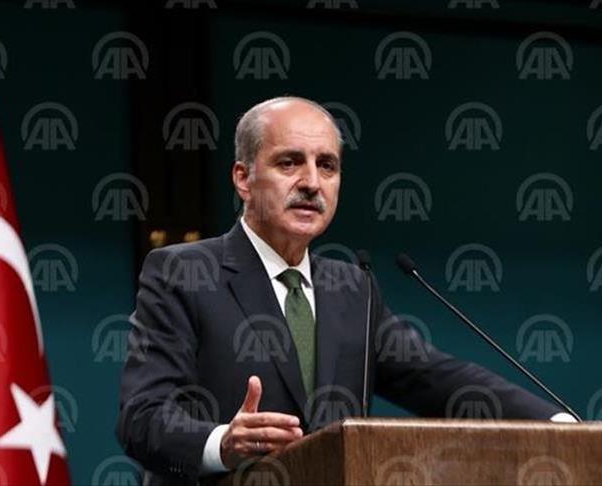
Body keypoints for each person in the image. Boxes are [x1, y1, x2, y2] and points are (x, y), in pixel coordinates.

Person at [116, 96, 571, 485]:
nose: (311, 182)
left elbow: (436, 378)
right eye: (289, 162)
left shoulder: (352, 289)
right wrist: (222, 443)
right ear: (243, 178)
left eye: (327, 166)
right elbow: (141, 417)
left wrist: (556, 424)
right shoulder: (183, 273)